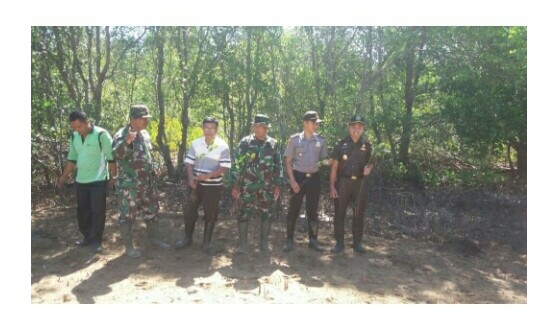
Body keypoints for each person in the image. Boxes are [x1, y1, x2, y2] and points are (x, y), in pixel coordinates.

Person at [112, 105, 170, 258]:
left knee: (152, 210)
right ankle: (129, 248)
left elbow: (148, 155)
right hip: (129, 184)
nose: (146, 121)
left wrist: (155, 167)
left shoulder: (144, 134)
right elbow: (116, 155)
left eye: (147, 119)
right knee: (127, 215)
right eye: (143, 119)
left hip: (147, 182)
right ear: (133, 119)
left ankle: (154, 239)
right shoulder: (122, 134)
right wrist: (127, 142)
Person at [57, 110, 117, 253]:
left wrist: (114, 176)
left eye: (79, 126)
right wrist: (64, 176)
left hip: (98, 179)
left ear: (87, 122)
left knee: (97, 210)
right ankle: (87, 237)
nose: (77, 130)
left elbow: (111, 157)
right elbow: (72, 158)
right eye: (74, 127)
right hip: (81, 180)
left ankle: (96, 240)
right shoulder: (74, 137)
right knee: (82, 210)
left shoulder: (101, 135)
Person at [230, 114, 286, 253]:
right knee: (243, 212)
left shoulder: (273, 144)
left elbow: (278, 165)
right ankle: (243, 244)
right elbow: (238, 164)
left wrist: (278, 184)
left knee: (267, 213)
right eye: (255, 125)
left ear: (266, 128)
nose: (257, 128)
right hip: (247, 184)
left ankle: (264, 243)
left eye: (260, 126)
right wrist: (235, 184)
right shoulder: (245, 142)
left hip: (267, 185)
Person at [175, 117, 231, 254]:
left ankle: (207, 242)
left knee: (210, 213)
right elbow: (189, 162)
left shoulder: (222, 146)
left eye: (212, 128)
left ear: (216, 129)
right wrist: (190, 177)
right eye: (206, 127)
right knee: (189, 211)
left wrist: (208, 176)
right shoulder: (195, 144)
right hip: (195, 185)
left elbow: (224, 167)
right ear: (202, 128)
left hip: (213, 186)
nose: (208, 131)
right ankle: (187, 238)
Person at [282, 111, 328, 252]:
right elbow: (287, 161)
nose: (316, 125)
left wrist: (329, 162)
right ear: (305, 123)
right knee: (293, 209)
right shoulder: (294, 140)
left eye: (317, 123)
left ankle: (313, 240)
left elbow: (323, 160)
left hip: (314, 178)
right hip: (298, 177)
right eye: (314, 122)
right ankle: (289, 240)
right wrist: (292, 181)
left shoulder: (321, 141)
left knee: (312, 211)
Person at [329, 115, 374, 254]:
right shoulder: (340, 144)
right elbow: (334, 167)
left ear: (363, 129)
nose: (356, 129)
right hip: (343, 182)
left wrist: (369, 169)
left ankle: (357, 243)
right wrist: (332, 186)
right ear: (349, 127)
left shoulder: (367, 146)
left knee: (359, 214)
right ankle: (339, 243)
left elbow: (371, 163)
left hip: (360, 183)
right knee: (339, 213)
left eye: (359, 126)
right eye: (354, 126)